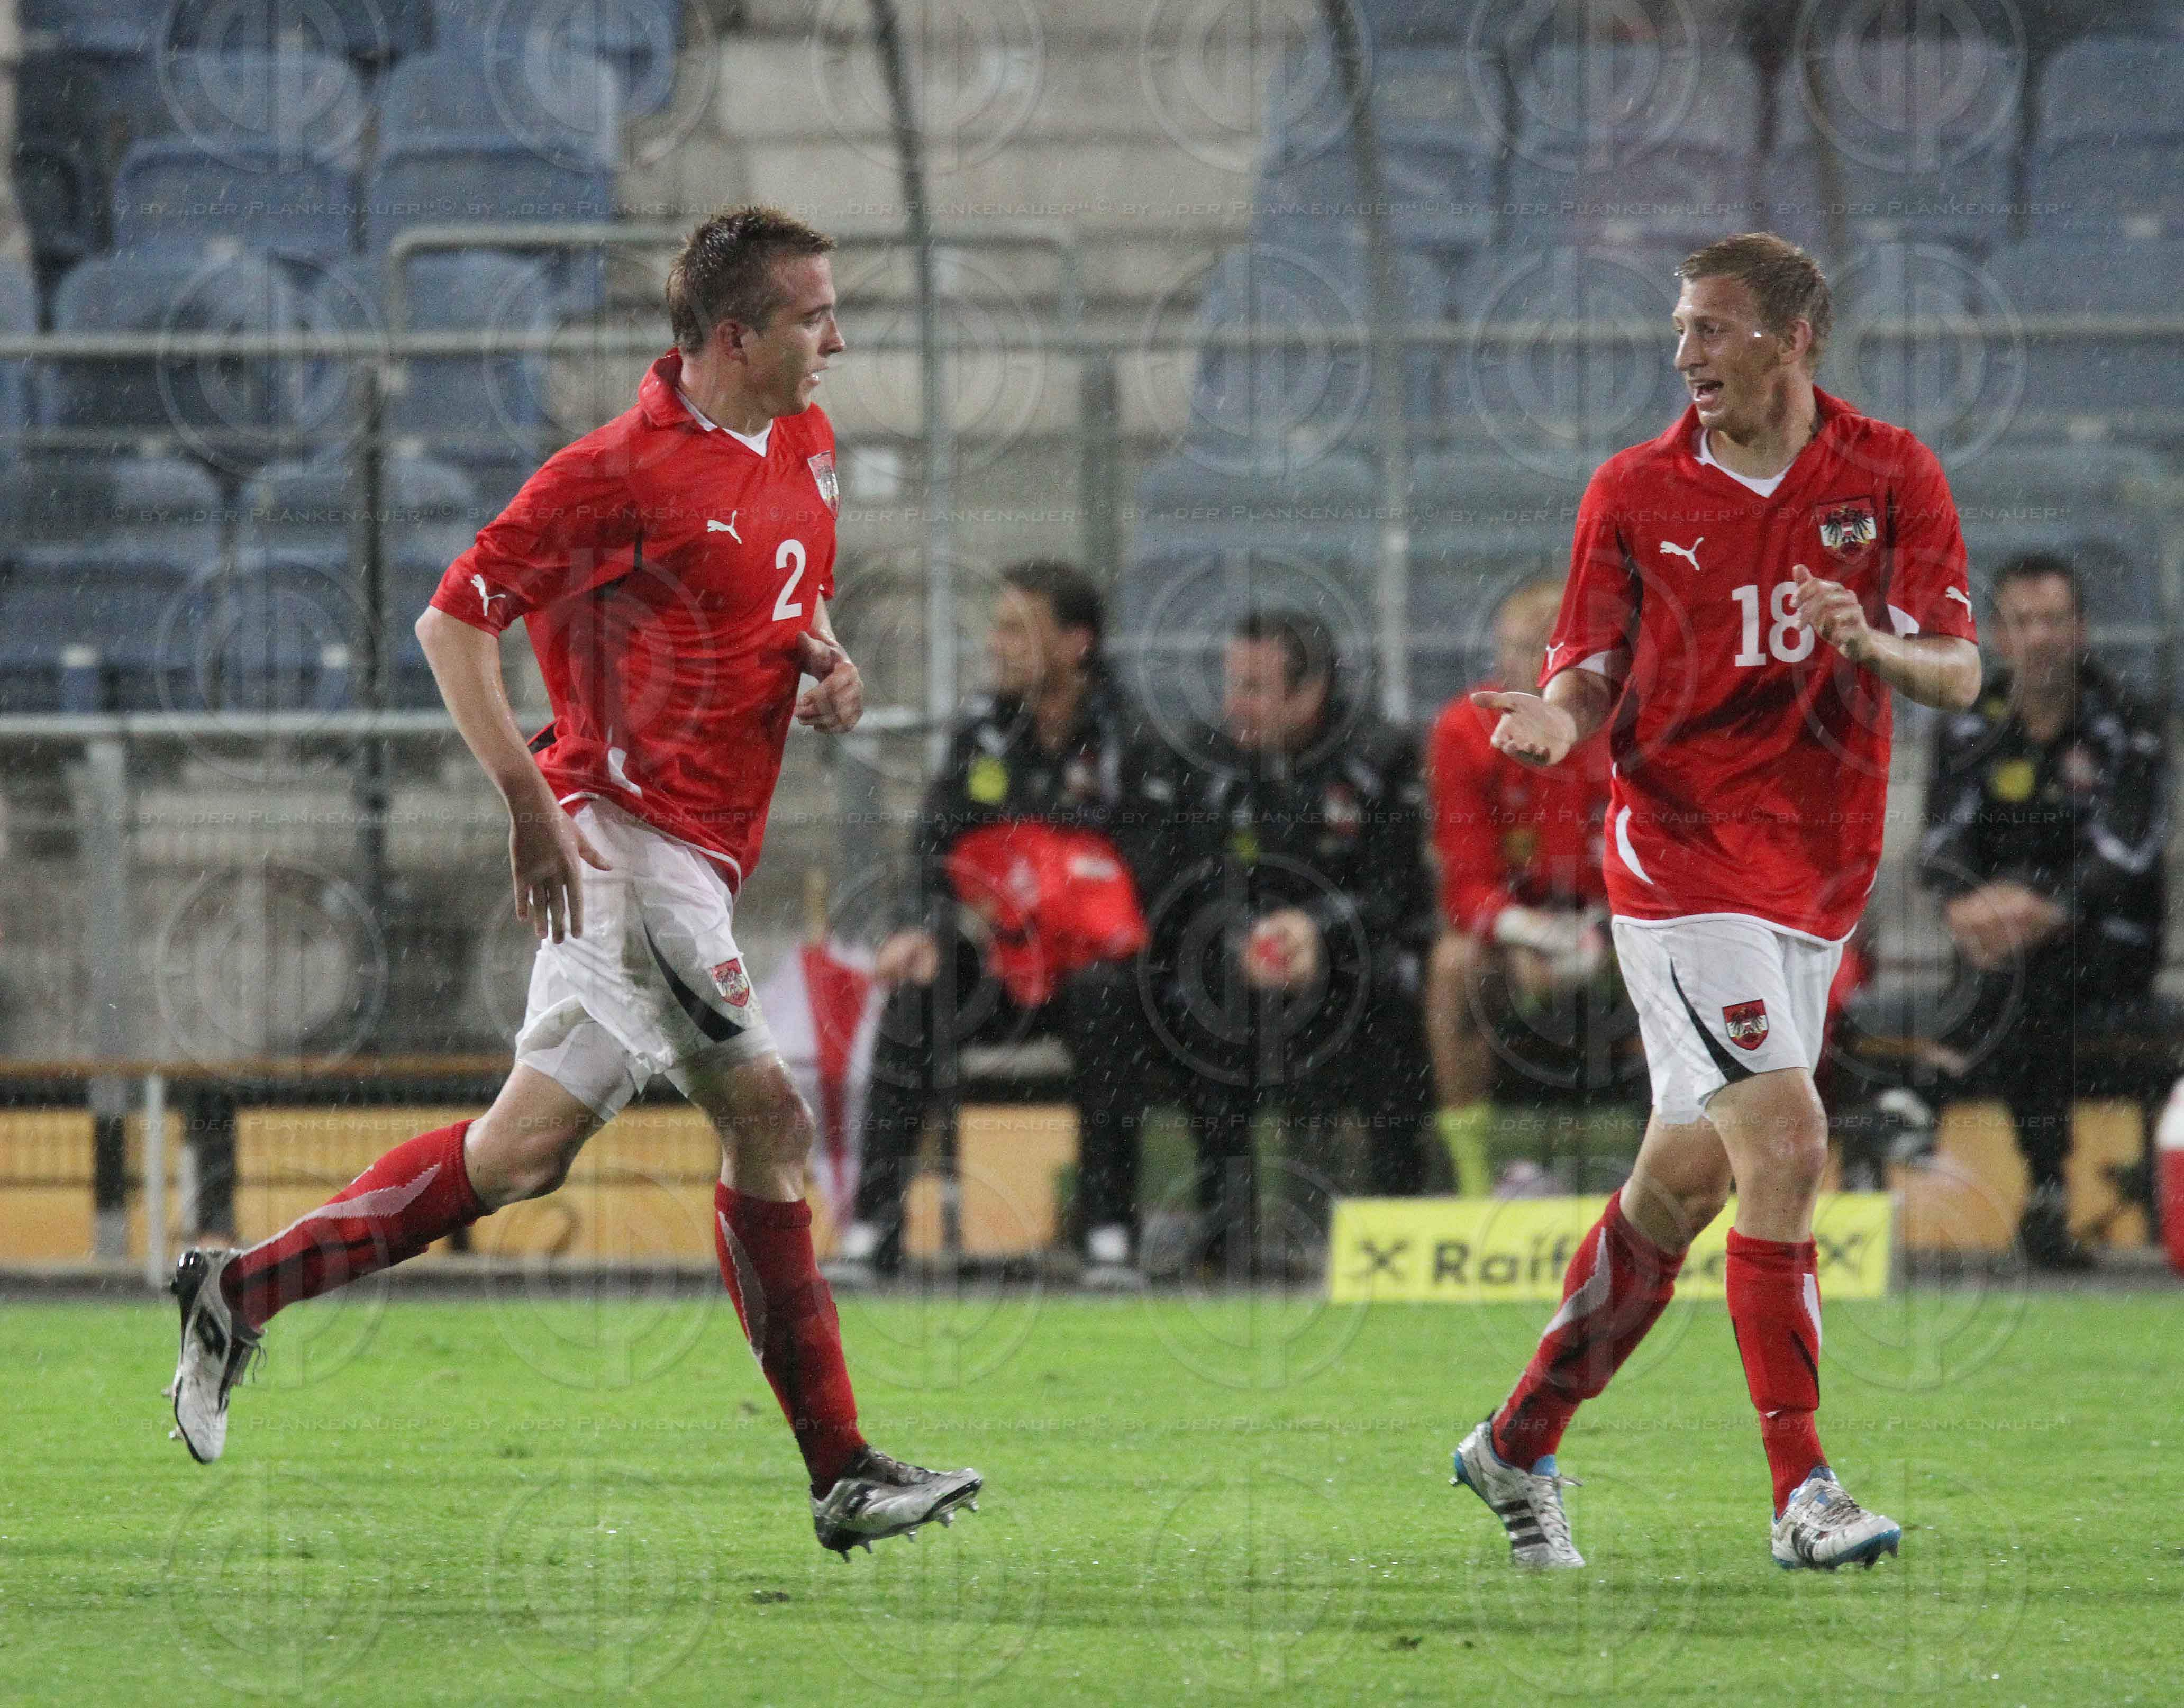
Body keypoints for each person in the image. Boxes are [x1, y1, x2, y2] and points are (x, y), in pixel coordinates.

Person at [161, 205, 981, 1557]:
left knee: (519, 1155)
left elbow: (781, 592)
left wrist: (824, 662)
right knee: (767, 1122)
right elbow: (451, 621)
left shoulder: (800, 440)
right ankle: (841, 1467)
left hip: (704, 850)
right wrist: (529, 803)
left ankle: (239, 1290)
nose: (836, 336)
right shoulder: (613, 473)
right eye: (812, 315)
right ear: (735, 337)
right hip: (630, 841)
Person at [1450, 232, 1980, 1573]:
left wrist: (1867, 640)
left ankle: (1514, 1442)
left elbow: (1961, 674)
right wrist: (1556, 726)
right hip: (1680, 862)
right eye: (1677, 329)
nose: (1681, 355)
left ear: (1791, 339)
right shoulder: (1631, 490)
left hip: (1815, 875)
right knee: (1788, 1140)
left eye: (1709, 330)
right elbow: (1584, 669)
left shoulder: (1888, 475)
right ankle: (1801, 1491)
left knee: (1678, 1189)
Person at [834, 560, 1172, 1288]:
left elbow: (1153, 873)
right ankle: (872, 1232)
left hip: (1094, 970)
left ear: (1076, 643)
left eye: (1018, 628)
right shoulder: (982, 733)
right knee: (916, 996)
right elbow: (934, 844)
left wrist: (1043, 891)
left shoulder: (1130, 741)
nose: (997, 643)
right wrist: (923, 925)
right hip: (997, 966)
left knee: (1109, 997)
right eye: (999, 626)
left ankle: (1110, 1232)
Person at [1145, 608, 1435, 1276]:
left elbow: (1400, 894)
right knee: (1194, 993)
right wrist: (1245, 937)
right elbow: (1177, 885)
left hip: (1353, 969)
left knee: (1395, 990)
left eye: (1252, 687)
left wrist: (1321, 931)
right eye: (1231, 682)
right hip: (1240, 971)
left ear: (1310, 694)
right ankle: (1224, 1231)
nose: (1231, 703)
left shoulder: (1380, 757)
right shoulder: (1203, 759)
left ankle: (1400, 1225)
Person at [1919, 553, 2170, 1270]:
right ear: (1999, 635)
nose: (2041, 638)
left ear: (2081, 628)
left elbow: (2127, 854)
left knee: (2033, 974)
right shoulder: (1972, 724)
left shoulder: (2128, 723)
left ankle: (1937, 1081)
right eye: (2025, 622)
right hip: (2000, 949)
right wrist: (1971, 904)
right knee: (2028, 981)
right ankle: (2049, 1193)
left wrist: (2040, 907)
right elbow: (1938, 845)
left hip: (2112, 946)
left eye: (2055, 620)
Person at [1425, 575, 1615, 1194]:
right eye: (1509, 648)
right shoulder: (1463, 731)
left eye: (1535, 648)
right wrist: (1534, 936)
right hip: (1517, 935)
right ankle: (1473, 1179)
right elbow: (1466, 884)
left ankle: (1677, 1172)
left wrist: (1596, 938)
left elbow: (1652, 863)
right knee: (1453, 967)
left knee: (1687, 954)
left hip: (1618, 930)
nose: (1517, 665)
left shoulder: (1622, 725)